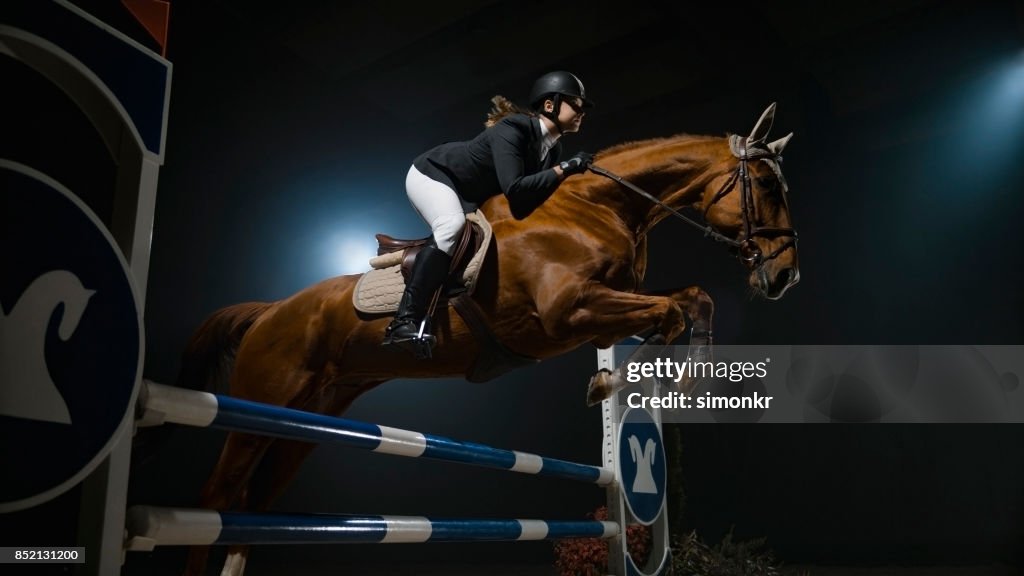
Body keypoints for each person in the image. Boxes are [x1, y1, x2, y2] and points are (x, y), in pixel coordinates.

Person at [383, 70, 596, 356]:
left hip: (468, 193)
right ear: (550, 105)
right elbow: (515, 189)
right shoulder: (514, 129)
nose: (582, 111)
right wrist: (566, 169)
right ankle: (403, 321)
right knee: (451, 226)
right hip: (434, 174)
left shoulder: (552, 150)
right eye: (576, 104)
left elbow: (521, 207)